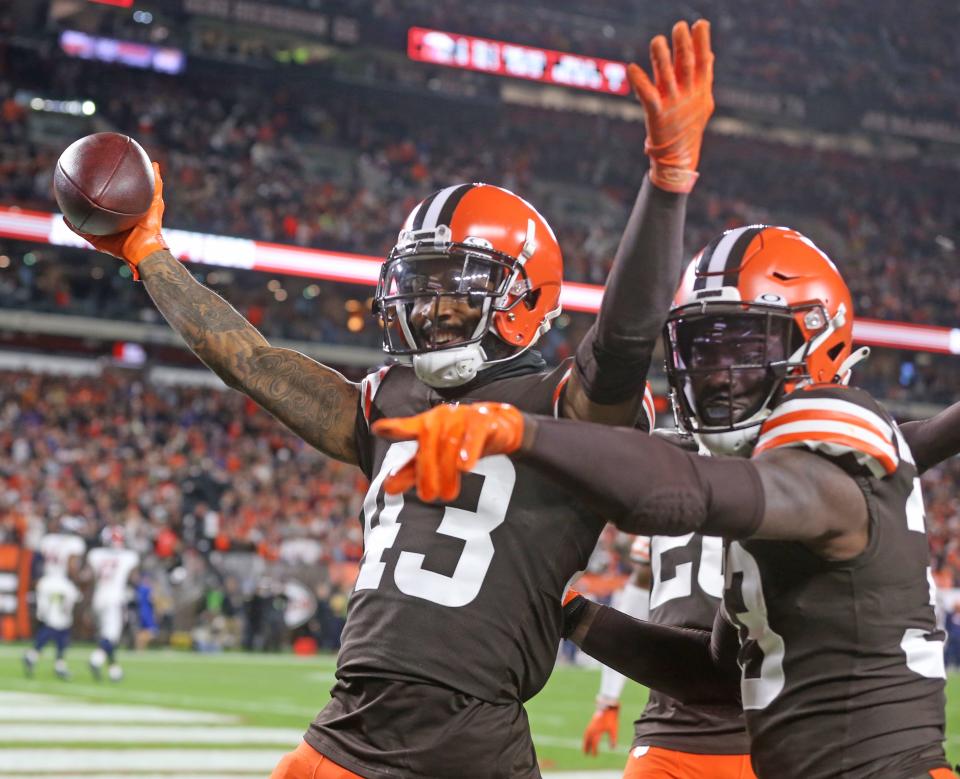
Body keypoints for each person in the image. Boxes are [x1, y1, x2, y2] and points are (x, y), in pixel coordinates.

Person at [65, 19, 715, 778]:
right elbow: (251, 361)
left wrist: (667, 178)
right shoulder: (387, 401)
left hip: (474, 738)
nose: (431, 311)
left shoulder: (568, 407)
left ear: (524, 300)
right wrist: (150, 255)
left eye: (455, 292)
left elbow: (628, 337)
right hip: (348, 731)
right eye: (421, 289)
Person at [373, 225, 960, 779]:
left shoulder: (837, 436)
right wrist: (569, 611)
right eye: (702, 349)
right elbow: (713, 678)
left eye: (746, 346)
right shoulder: (764, 489)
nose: (719, 374)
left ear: (817, 339)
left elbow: (682, 490)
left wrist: (524, 432)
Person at [582, 530, 752, 779]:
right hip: (755, 732)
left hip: (668, 729)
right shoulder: (772, 511)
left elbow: (637, 594)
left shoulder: (663, 514)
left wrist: (608, 698)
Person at [86, 525, 140, 682]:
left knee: (106, 637)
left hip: (98, 597)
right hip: (115, 599)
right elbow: (134, 578)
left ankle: (114, 670)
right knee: (111, 638)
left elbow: (89, 578)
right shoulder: (129, 556)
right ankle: (96, 659)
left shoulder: (95, 554)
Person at [22, 569, 82, 680]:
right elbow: (75, 598)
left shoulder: (45, 582)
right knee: (58, 636)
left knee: (54, 635)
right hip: (60, 614)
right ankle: (56, 664)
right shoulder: (66, 584)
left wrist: (41, 612)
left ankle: (34, 657)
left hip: (51, 613)